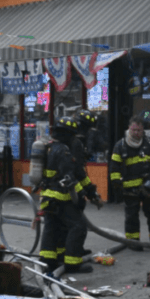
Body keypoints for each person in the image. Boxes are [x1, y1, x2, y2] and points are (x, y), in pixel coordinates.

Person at [109, 116, 150, 248]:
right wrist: (116, 184)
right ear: (129, 128)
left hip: (149, 187)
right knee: (132, 217)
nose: (136, 133)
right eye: (134, 130)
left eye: (139, 130)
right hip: (130, 189)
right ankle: (133, 243)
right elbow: (114, 167)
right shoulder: (120, 146)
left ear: (143, 129)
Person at [37, 118, 86, 273]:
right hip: (61, 198)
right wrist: (81, 194)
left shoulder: (48, 148)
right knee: (78, 226)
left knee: (52, 228)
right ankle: (72, 263)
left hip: (47, 197)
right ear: (67, 134)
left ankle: (48, 261)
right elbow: (69, 178)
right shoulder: (64, 151)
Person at [66, 111, 104, 273]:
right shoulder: (75, 144)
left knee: (68, 224)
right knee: (78, 225)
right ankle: (73, 261)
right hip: (70, 188)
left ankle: (74, 251)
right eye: (89, 129)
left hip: (67, 186)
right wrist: (89, 193)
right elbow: (78, 172)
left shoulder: (72, 142)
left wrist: (90, 192)